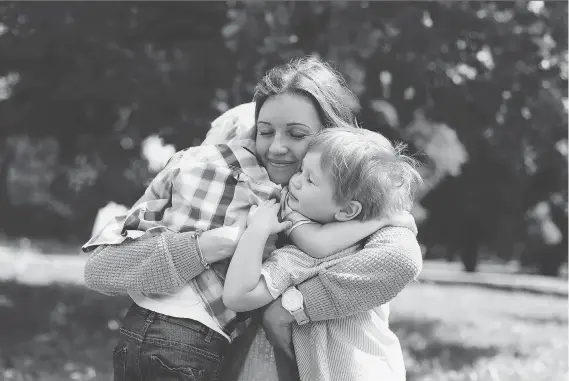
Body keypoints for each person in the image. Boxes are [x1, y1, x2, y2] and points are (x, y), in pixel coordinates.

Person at [82, 57, 422, 381]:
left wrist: (292, 307)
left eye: (298, 135)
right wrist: (211, 244)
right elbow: (101, 269)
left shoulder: (364, 200)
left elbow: (399, 261)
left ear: (330, 138)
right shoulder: (228, 181)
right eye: (264, 132)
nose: (276, 148)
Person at [223, 128, 422, 381]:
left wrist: (257, 230)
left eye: (310, 180)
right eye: (300, 171)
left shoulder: (303, 258)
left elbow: (237, 296)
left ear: (348, 210)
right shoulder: (370, 244)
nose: (294, 181)